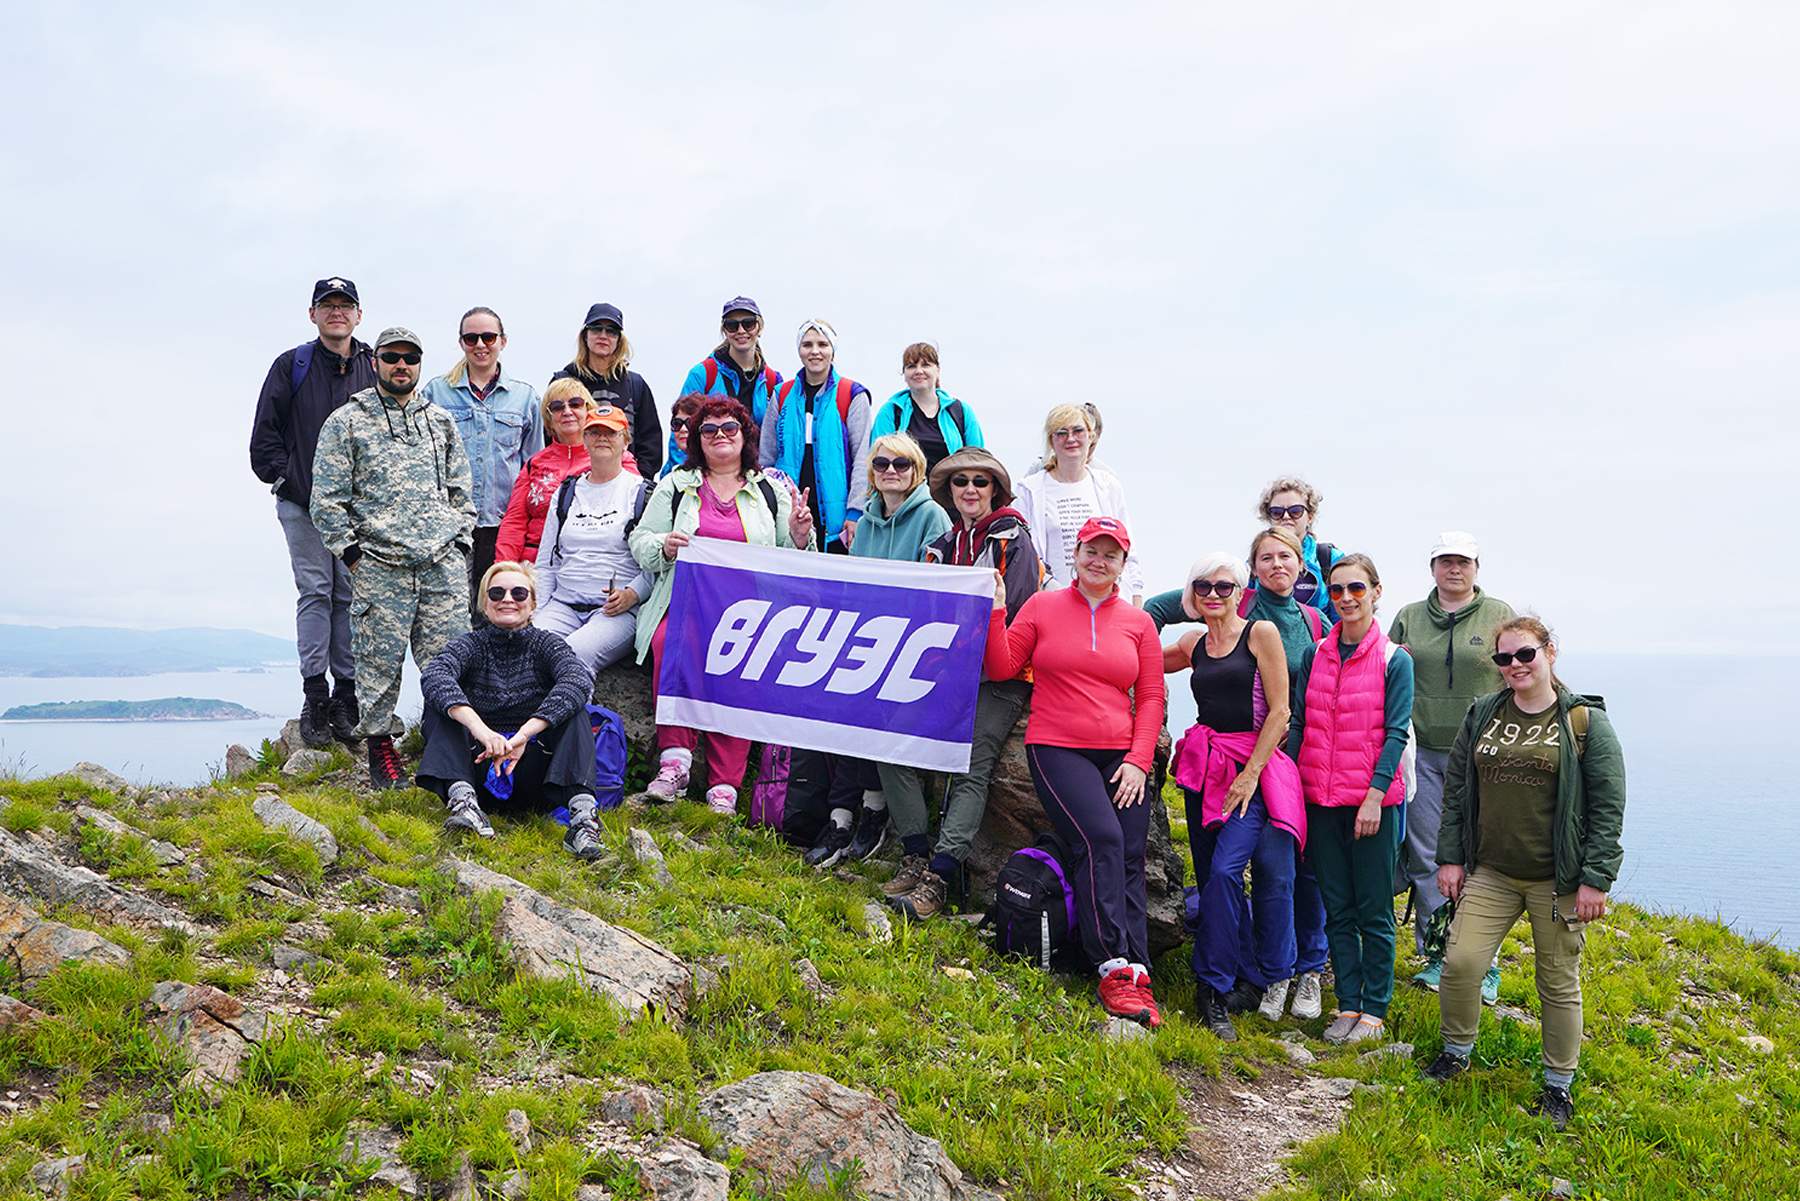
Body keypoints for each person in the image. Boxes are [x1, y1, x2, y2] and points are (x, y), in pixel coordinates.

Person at [1423, 616, 1626, 1133]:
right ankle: (1456, 1051)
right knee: (1462, 963)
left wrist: (1595, 879)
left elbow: (1607, 806)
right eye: (1504, 658)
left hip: (1555, 878)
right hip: (1491, 869)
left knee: (1557, 983)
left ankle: (1559, 1086)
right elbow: (1457, 792)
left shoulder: (1584, 722)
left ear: (1550, 652)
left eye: (1525, 655)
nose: (1515, 666)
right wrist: (1450, 857)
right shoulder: (1483, 714)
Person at [983, 517, 1166, 1027]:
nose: (1099, 560)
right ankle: (1110, 966)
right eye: (1092, 550)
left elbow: (1151, 697)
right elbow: (1002, 666)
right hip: (1057, 747)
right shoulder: (1042, 606)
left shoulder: (1138, 623)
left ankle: (1137, 970)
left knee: (1129, 855)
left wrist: (1138, 760)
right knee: (1101, 840)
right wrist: (997, 608)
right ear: (1076, 553)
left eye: (1111, 554)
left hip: (1120, 756)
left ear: (1122, 565)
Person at [627, 397, 815, 814]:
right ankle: (674, 762)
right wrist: (665, 546)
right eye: (708, 430)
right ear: (697, 439)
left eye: (728, 428)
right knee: (667, 644)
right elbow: (640, 541)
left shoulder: (769, 489)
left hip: (751, 612)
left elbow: (792, 554)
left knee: (739, 673)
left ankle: (724, 786)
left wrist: (801, 535)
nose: (719, 436)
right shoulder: (676, 485)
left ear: (745, 434)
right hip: (687, 604)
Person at [873, 448, 1040, 917]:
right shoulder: (941, 545)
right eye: (960, 481)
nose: (969, 489)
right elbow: (925, 607)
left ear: (995, 491)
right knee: (890, 742)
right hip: (945, 670)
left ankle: (940, 876)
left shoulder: (1015, 541)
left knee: (972, 762)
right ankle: (915, 850)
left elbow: (1019, 609)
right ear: (948, 491)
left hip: (1001, 672)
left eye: (980, 482)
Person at [310, 327, 475, 790]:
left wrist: (460, 543)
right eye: (391, 357)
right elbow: (326, 498)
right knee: (378, 665)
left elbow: (463, 490)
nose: (401, 365)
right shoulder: (347, 421)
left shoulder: (439, 421)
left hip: (440, 563)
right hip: (379, 564)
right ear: (376, 361)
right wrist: (352, 554)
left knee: (450, 662)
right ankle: (382, 754)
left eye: (410, 358)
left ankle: (448, 754)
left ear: (420, 364)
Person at [799, 434, 953, 871]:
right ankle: (840, 816)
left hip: (909, 643)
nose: (890, 470)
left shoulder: (932, 517)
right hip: (867, 637)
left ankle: (872, 808)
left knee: (876, 711)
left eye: (901, 464)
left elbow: (935, 589)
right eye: (882, 463)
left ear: (916, 470)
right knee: (838, 707)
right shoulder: (865, 522)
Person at [1164, 553, 1297, 1041]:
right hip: (1205, 767)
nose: (1214, 595)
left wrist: (1251, 775)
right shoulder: (1194, 641)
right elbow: (1138, 659)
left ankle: (1212, 989)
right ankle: (1248, 976)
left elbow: (1280, 712)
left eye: (1224, 586)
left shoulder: (1260, 634)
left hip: (1248, 768)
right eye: (1204, 587)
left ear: (1240, 592)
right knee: (1210, 875)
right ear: (1193, 594)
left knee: (1224, 871)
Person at [1287, 553, 1414, 1045]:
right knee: (1336, 906)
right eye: (1337, 590)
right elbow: (1301, 724)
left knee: (1374, 908)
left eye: (1356, 589)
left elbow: (1395, 733)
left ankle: (1376, 1010)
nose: (1346, 599)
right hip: (1319, 800)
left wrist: (1374, 797)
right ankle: (1349, 1004)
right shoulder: (1314, 654)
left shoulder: (1394, 659)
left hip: (1372, 804)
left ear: (1377, 592)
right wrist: (1292, 790)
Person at [248, 276, 375, 748]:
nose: (336, 313)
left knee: (349, 597)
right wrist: (288, 481)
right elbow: (265, 437)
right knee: (315, 592)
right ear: (313, 314)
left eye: (345, 306)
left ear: (359, 315)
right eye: (328, 305)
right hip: (302, 505)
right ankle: (315, 695)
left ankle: (347, 695)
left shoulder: (374, 365)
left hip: (360, 509)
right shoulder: (292, 365)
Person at [1388, 531, 1517, 997]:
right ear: (1433, 568)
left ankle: (1484, 965)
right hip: (1420, 751)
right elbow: (1388, 671)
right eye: (1445, 561)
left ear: (1477, 567)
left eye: (1463, 561)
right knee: (1429, 856)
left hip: (1484, 755)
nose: (1454, 569)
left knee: (1481, 860)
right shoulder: (1408, 617)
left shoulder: (1500, 615)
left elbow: (1521, 670)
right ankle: (1437, 955)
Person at [416, 562, 602, 859]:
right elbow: (435, 674)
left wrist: (522, 736)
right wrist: (482, 731)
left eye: (518, 593)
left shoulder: (548, 645)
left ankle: (582, 821)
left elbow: (577, 680)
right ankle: (465, 804)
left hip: (533, 770)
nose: (507, 599)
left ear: (532, 604)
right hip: (477, 763)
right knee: (440, 705)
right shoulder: (470, 645)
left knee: (575, 710)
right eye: (496, 593)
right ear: (484, 604)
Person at [423, 307, 542, 613]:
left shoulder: (525, 398)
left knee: (499, 610)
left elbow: (534, 468)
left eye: (488, 336)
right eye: (471, 337)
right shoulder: (436, 393)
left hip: (503, 524)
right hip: (451, 525)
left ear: (503, 341)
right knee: (451, 611)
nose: (480, 344)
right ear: (461, 342)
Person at [531, 404, 652, 674]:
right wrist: (537, 613)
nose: (602, 438)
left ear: (626, 441)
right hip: (563, 604)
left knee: (574, 655)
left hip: (614, 612)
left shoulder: (642, 494)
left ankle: (573, 717)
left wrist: (632, 595)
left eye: (611, 433)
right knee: (528, 650)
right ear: (584, 439)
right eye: (594, 431)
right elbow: (546, 563)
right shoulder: (565, 493)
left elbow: (652, 566)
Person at [759, 319, 873, 553]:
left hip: (837, 518)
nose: (815, 351)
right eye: (807, 344)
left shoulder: (851, 395)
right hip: (788, 511)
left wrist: (855, 512)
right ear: (799, 350)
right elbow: (766, 459)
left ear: (833, 350)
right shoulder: (782, 394)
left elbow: (863, 459)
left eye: (822, 344)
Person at [1015, 404, 1144, 603]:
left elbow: (1129, 549)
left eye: (1078, 431)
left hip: (1107, 603)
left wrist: (1136, 600)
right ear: (1051, 440)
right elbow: (1025, 554)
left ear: (1091, 437)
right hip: (1053, 603)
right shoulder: (1029, 489)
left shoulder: (1108, 485)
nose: (1071, 439)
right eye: (1061, 433)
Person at [494, 380, 608, 565]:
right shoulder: (535, 464)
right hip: (534, 563)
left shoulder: (613, 457)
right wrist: (504, 569)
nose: (567, 411)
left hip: (590, 562)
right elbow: (514, 522)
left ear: (588, 410)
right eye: (557, 407)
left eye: (575, 404)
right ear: (549, 419)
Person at [550, 302, 663, 475]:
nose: (603, 335)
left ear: (619, 340)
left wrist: (636, 482)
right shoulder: (563, 381)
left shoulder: (635, 384)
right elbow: (550, 434)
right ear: (585, 335)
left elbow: (651, 442)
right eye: (596, 329)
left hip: (626, 483)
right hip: (571, 483)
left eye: (611, 331)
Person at [869, 342, 983, 473]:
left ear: (938, 371)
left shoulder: (961, 411)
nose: (918, 371)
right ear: (904, 374)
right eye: (911, 366)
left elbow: (978, 461)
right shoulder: (891, 411)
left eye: (926, 365)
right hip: (907, 492)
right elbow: (877, 462)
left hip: (950, 491)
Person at [677, 297, 782, 424]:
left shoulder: (773, 381)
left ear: (759, 328)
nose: (741, 331)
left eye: (748, 324)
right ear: (724, 331)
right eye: (732, 325)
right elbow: (681, 430)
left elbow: (781, 435)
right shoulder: (702, 375)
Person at [1256, 477, 1343, 618]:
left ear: (1310, 516)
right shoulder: (1256, 563)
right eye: (1277, 512)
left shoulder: (1329, 559)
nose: (1285, 516)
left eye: (1295, 511)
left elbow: (1342, 618)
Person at [657, 393, 704, 479]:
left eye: (690, 423)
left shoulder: (717, 469)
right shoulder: (668, 470)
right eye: (677, 423)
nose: (683, 429)